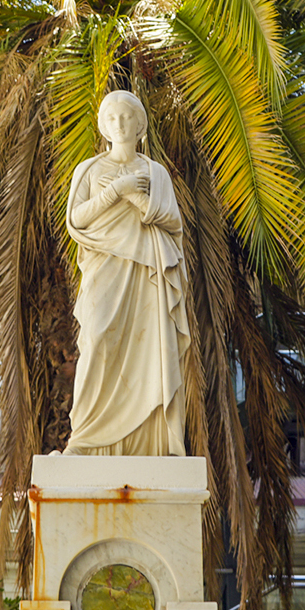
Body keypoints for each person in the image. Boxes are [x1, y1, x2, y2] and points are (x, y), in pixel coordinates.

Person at [62, 89, 190, 456]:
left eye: (126, 117)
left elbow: (171, 221)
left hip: (147, 269)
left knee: (150, 347)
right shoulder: (88, 170)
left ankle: (151, 441)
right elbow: (77, 220)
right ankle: (84, 437)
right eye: (112, 118)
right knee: (98, 339)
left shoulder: (155, 172)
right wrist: (117, 189)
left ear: (139, 124)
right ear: (103, 126)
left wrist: (133, 196)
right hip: (104, 267)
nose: (119, 124)